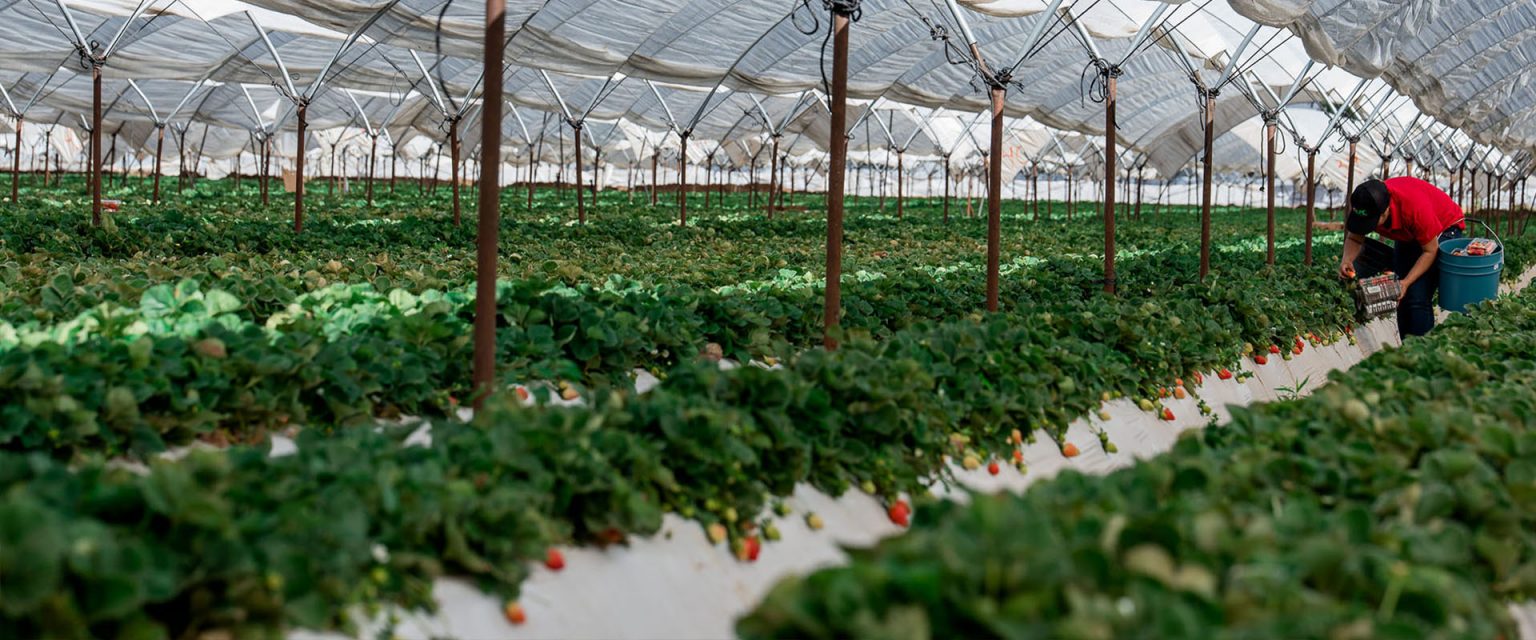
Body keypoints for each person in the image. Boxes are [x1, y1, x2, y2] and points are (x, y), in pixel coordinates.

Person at [1338, 177, 1465, 339]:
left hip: (1444, 227)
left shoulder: (1414, 209)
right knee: (1400, 296)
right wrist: (1347, 259)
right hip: (1411, 233)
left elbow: (1430, 251)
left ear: (1386, 211)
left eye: (1371, 222)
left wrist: (1407, 282)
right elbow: (1355, 238)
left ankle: (1424, 354)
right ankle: (1407, 352)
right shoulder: (1365, 204)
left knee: (1417, 295)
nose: (1369, 227)